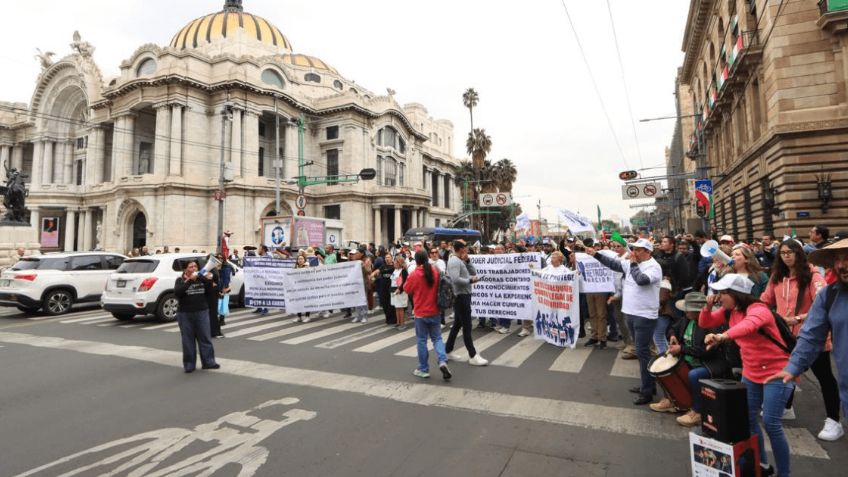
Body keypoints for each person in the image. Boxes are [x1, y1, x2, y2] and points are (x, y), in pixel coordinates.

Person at [701, 274, 792, 477]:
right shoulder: (728, 311)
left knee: (771, 423)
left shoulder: (759, 309)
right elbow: (705, 322)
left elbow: (748, 326)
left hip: (777, 372)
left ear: (737, 294)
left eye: (723, 292)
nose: (718, 296)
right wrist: (707, 307)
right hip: (751, 372)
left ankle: (785, 474)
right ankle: (761, 465)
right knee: (748, 420)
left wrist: (722, 336)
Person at [768, 238, 848, 443]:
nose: (841, 264)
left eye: (847, 258)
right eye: (837, 259)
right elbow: (812, 334)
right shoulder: (830, 295)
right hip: (791, 339)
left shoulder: (813, 278)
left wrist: (796, 319)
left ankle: (832, 419)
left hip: (814, 341)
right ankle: (787, 408)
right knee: (792, 374)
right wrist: (793, 366)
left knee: (824, 378)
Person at [588, 238, 662, 405]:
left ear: (648, 252)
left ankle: (648, 391)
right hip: (630, 312)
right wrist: (596, 255)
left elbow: (642, 280)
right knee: (640, 351)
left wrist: (634, 264)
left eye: (638, 250)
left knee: (643, 352)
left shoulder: (653, 266)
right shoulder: (630, 263)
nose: (634, 252)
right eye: (634, 249)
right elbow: (613, 264)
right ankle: (647, 384)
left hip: (644, 315)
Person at [649, 292, 732, 426]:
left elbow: (706, 352)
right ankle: (672, 399)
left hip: (709, 363)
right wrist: (672, 336)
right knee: (663, 367)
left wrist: (681, 349)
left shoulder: (710, 326)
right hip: (689, 358)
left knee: (693, 374)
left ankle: (697, 411)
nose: (685, 311)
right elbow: (672, 328)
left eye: (688, 309)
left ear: (698, 311)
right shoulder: (687, 319)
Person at [404, 250, 452, 381]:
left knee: (422, 340)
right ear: (427, 258)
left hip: (420, 313)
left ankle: (424, 369)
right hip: (435, 310)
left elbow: (407, 289)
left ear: (416, 260)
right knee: (437, 338)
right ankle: (442, 361)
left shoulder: (414, 274)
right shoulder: (435, 271)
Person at [445, 240, 488, 366]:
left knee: (457, 325)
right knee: (467, 326)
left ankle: (447, 350)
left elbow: (473, 272)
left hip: (465, 295)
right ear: (461, 249)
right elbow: (455, 279)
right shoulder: (454, 261)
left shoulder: (461, 260)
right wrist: (470, 280)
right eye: (466, 248)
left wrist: (468, 261)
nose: (468, 249)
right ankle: (473, 355)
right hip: (461, 296)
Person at [174, 261, 219, 373]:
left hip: (201, 312)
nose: (194, 268)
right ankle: (189, 365)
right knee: (188, 340)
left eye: (195, 266)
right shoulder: (180, 280)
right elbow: (178, 292)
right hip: (185, 314)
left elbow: (211, 291)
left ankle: (209, 362)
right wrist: (190, 281)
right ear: (185, 269)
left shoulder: (201, 278)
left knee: (205, 337)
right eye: (191, 267)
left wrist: (209, 279)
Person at [390, 255, 410, 329]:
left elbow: (405, 281)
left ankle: (402, 324)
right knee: (396, 307)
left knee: (400, 308)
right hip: (393, 290)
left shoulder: (403, 270)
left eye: (396, 261)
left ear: (399, 263)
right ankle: (398, 322)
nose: (394, 263)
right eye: (394, 261)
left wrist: (400, 289)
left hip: (400, 291)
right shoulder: (395, 270)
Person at [293, 255, 313, 323]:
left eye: (301, 259)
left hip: (306, 288)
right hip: (297, 288)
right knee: (298, 302)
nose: (300, 260)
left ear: (304, 260)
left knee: (307, 302)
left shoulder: (307, 267)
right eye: (299, 259)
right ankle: (299, 316)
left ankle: (307, 316)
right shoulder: (295, 267)